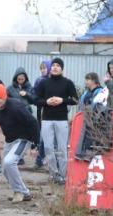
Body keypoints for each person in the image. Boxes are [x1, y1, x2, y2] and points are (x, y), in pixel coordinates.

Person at [0, 84, 40, 202]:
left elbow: (33, 123)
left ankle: (19, 192)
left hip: (23, 138)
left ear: (5, 97)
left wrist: (36, 145)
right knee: (5, 168)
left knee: (10, 162)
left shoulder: (16, 107)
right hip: (10, 140)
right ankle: (25, 193)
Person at [36, 57, 78, 185]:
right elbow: (36, 100)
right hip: (47, 119)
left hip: (61, 120)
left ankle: (63, 175)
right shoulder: (43, 83)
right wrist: (46, 102)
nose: (55, 67)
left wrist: (62, 100)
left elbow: (75, 100)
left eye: (58, 65)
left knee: (61, 148)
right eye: (53, 65)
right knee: (48, 148)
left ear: (62, 68)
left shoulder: (67, 83)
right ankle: (53, 173)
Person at [6, 67, 37, 166]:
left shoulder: (29, 87)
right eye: (18, 79)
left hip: (26, 114)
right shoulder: (10, 88)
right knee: (15, 136)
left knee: (24, 137)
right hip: (14, 115)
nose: (20, 81)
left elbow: (33, 99)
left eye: (22, 79)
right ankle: (12, 156)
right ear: (15, 78)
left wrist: (27, 94)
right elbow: (6, 100)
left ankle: (20, 157)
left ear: (25, 78)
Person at [33, 60, 51, 168]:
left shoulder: (52, 80)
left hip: (50, 109)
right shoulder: (39, 80)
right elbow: (34, 93)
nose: (43, 70)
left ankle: (42, 157)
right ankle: (40, 158)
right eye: (41, 68)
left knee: (47, 135)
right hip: (40, 109)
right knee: (42, 133)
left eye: (45, 68)